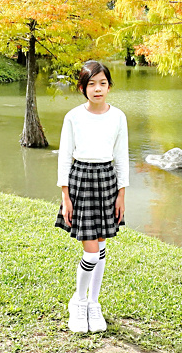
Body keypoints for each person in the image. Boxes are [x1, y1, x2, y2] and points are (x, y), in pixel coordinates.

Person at [53, 60, 128, 333]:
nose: (98, 89)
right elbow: (64, 157)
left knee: (101, 244)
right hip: (81, 180)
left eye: (103, 83)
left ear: (109, 86)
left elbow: (121, 157)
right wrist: (65, 196)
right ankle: (78, 301)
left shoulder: (118, 116)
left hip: (107, 180)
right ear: (82, 87)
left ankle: (94, 303)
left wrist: (121, 193)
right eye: (92, 84)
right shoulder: (73, 116)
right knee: (92, 253)